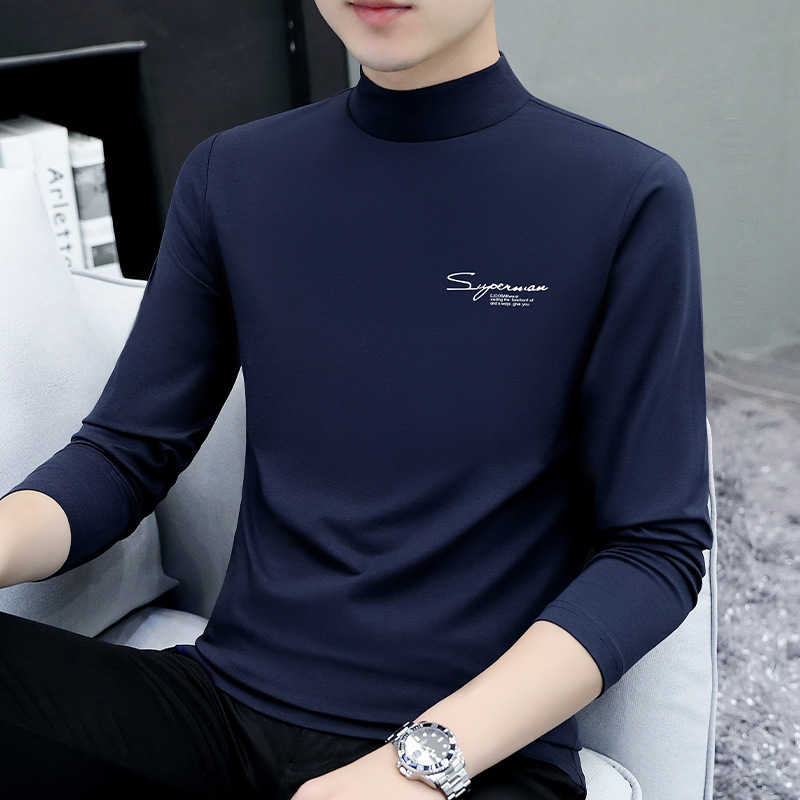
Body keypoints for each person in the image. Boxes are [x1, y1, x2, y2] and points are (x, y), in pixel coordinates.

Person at [0, 1, 712, 798]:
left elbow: (654, 549)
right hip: (221, 709)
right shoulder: (234, 173)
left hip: (477, 760)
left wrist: (415, 767)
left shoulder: (623, 194)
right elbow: (124, 456)